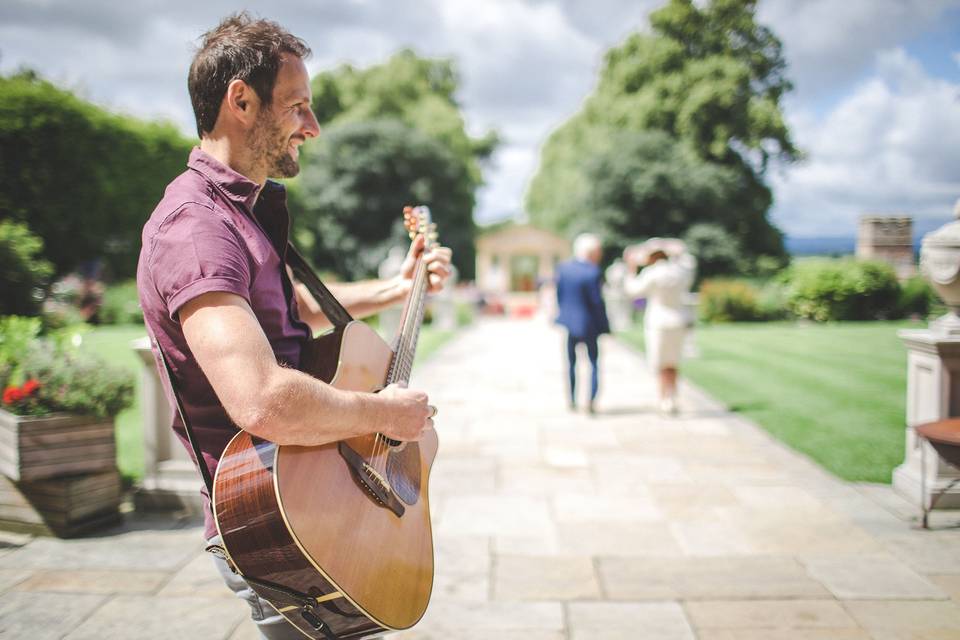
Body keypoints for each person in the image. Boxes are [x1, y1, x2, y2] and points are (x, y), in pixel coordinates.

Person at [135, 13, 452, 639]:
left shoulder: (242, 212)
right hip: (277, 514)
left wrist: (398, 286)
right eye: (298, 107)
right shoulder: (197, 229)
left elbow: (285, 313)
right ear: (241, 101)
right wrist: (382, 414)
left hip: (316, 488)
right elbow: (262, 400)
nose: (313, 127)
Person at [623, 238, 696, 415]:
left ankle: (664, 398)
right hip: (678, 320)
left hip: (659, 322)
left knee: (661, 363)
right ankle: (673, 396)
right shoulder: (679, 272)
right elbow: (690, 268)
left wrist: (631, 269)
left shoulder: (652, 273)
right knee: (673, 362)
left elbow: (633, 290)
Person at [555, 233, 610, 414]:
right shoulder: (593, 271)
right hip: (589, 325)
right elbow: (596, 302)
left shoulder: (563, 268)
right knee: (593, 363)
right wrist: (605, 326)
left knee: (571, 363)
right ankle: (591, 401)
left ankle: (571, 399)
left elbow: (560, 296)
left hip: (570, 324)